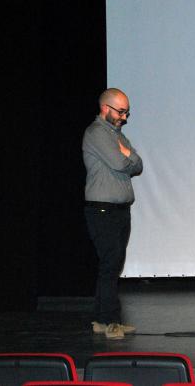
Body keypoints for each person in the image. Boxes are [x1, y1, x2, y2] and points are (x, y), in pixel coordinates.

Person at [82, 88, 143, 339]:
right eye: (121, 111)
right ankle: (110, 322)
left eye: (127, 112)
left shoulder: (118, 135)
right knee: (110, 265)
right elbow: (122, 163)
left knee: (112, 266)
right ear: (105, 108)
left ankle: (101, 319)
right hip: (103, 210)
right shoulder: (96, 133)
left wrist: (127, 155)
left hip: (119, 210)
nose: (125, 117)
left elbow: (138, 165)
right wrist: (127, 156)